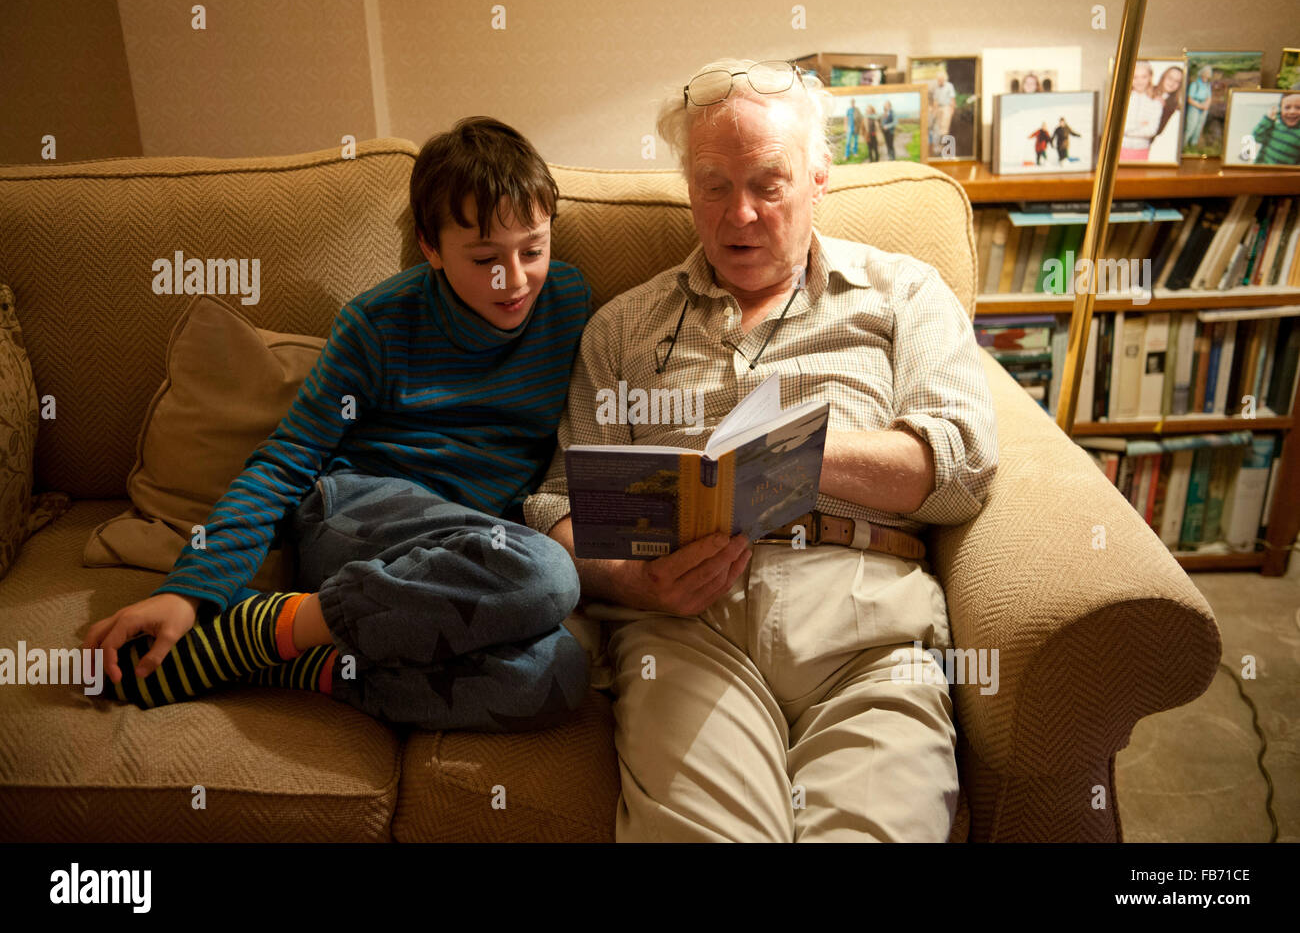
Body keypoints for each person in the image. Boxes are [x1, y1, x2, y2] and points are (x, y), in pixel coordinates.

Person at [524, 57, 999, 842]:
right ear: (687, 187)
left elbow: (962, 464)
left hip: (866, 624)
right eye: (714, 184)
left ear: (818, 179)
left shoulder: (902, 293)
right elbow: (556, 508)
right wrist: (635, 581)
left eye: (767, 184)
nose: (738, 216)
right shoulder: (621, 328)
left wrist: (796, 456)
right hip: (685, 630)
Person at [83, 117, 593, 733]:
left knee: (559, 672)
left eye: (532, 250)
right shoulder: (378, 324)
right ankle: (275, 625)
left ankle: (296, 658)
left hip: (469, 551)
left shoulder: (568, 303)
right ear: (431, 248)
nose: (513, 280)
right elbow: (285, 461)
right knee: (548, 573)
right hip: (359, 514)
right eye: (484, 257)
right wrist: (187, 590)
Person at [1120, 60, 1165, 161]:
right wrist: (1140, 125)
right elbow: (1120, 127)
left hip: (1142, 149)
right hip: (1121, 149)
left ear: (1150, 77)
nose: (1139, 81)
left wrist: (1127, 131)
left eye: (1144, 77)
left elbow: (1152, 130)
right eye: (1135, 77)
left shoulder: (1156, 102)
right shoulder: (1122, 100)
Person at [1250, 91, 1300, 165]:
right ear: (1280, 109)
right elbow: (1256, 137)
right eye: (1287, 107)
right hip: (1261, 169)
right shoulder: (1274, 125)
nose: (1292, 111)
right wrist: (1268, 119)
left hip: (1283, 174)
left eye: (1298, 108)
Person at [1184, 64, 1214, 152]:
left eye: (1209, 74)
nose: (1207, 76)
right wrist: (1200, 106)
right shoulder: (1195, 84)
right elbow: (1190, 99)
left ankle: (1193, 144)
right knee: (1191, 126)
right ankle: (1184, 144)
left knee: (1199, 126)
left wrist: (1206, 105)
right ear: (1202, 74)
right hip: (1195, 106)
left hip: (1204, 107)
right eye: (1206, 73)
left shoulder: (1208, 85)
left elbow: (1209, 97)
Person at [1153, 64, 1185, 141]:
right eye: (1170, 78)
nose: (1172, 83)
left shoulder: (1172, 104)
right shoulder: (1149, 90)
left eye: (1177, 81)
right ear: (1163, 77)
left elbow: (1159, 130)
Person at [929, 71, 957, 155]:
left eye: (941, 79)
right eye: (938, 80)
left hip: (946, 108)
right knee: (936, 128)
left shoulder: (949, 86)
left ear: (944, 79)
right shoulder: (936, 88)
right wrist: (933, 111)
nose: (939, 81)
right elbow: (935, 101)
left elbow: (952, 99)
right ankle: (937, 148)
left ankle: (946, 149)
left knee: (944, 129)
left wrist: (952, 110)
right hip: (938, 108)